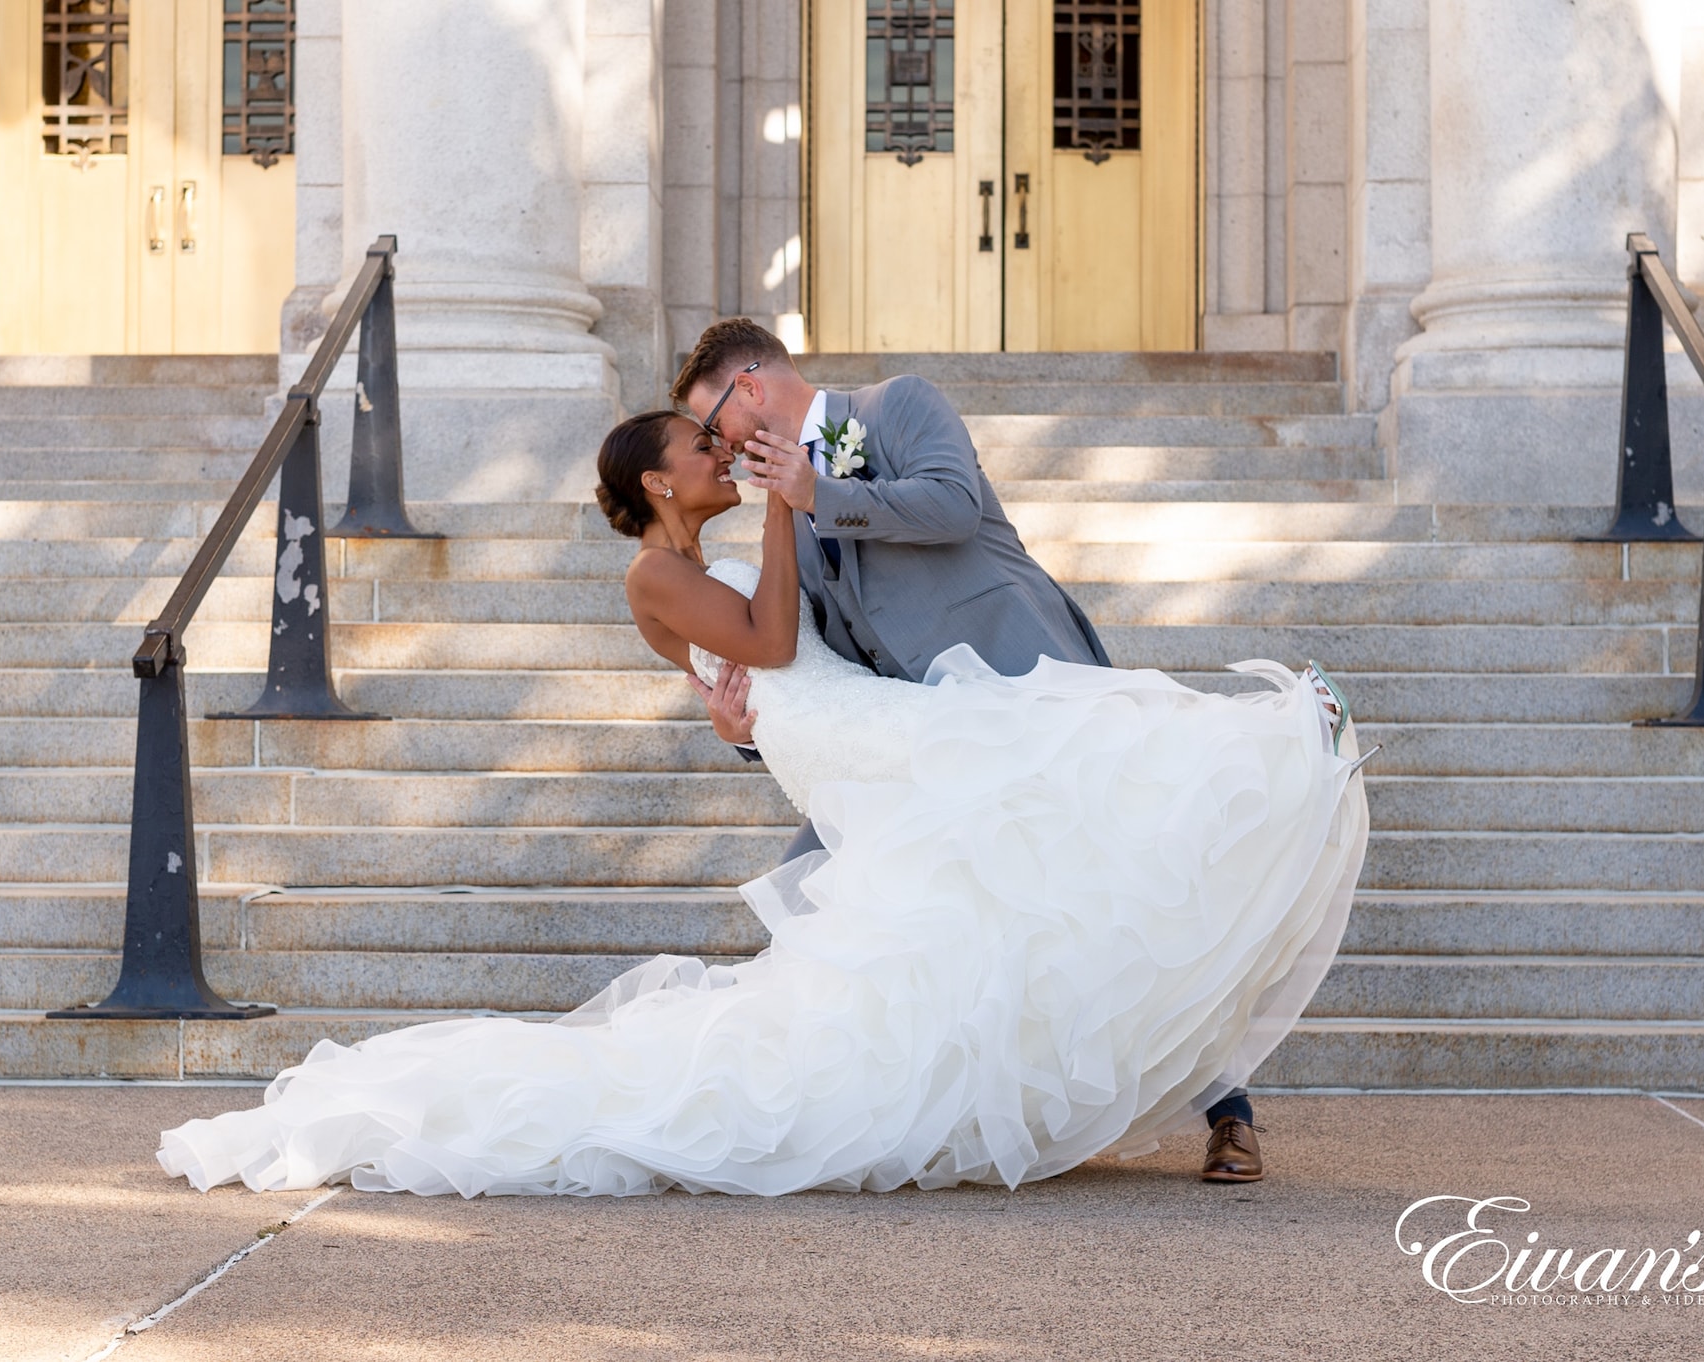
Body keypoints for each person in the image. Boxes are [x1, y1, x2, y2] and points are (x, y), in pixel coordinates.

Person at [154, 395, 1372, 1199]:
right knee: (1036, 783)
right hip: (839, 729)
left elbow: (779, 649)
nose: (716, 454)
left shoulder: (694, 557)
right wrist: (791, 507)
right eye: (697, 448)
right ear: (661, 484)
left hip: (845, 721)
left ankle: (1268, 756)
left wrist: (788, 516)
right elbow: (775, 642)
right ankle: (1270, 744)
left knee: (1020, 826)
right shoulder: (653, 576)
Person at [674, 319, 1269, 1181]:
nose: (719, 447)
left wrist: (819, 493)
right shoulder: (786, 518)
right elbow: (827, 669)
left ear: (753, 387)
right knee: (816, 893)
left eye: (716, 421)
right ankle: (809, 1108)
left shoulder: (898, 406)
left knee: (1117, 895)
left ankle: (1230, 1111)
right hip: (929, 738)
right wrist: (748, 733)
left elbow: (953, 505)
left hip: (1033, 689)